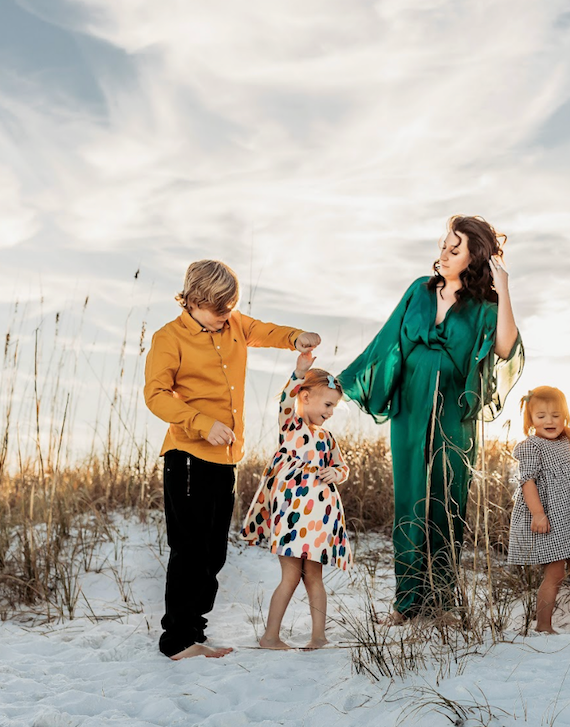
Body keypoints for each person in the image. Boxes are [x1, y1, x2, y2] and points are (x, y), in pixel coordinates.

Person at [336, 215, 523, 621]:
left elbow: (506, 348)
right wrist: (343, 383)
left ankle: (440, 601)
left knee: (448, 500)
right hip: (410, 406)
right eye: (443, 245)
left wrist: (504, 287)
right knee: (410, 500)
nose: (443, 253)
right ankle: (406, 603)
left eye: (454, 249)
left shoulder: (486, 305)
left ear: (475, 256)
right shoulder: (419, 291)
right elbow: (386, 341)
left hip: (455, 411)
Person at [144, 260, 321, 660]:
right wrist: (201, 422)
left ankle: (195, 629)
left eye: (230, 309)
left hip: (225, 459)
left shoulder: (234, 324)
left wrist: (297, 337)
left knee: (214, 551)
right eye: (218, 310)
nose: (226, 317)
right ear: (193, 300)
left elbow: (266, 331)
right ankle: (177, 640)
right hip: (188, 455)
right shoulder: (168, 338)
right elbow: (155, 395)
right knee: (189, 548)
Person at [240, 351, 352, 650]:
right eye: (327, 404)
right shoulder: (291, 427)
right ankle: (270, 636)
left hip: (319, 515)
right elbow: (285, 400)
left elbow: (342, 467)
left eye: (334, 407)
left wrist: (335, 473)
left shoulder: (327, 439)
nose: (330, 412)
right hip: (291, 514)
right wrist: (299, 372)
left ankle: (318, 636)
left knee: (314, 575)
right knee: (290, 575)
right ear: (304, 397)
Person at [507, 386, 570, 635]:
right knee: (554, 573)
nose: (549, 421)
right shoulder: (531, 447)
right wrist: (538, 514)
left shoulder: (567, 439)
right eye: (541, 416)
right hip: (551, 519)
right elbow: (527, 482)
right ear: (530, 420)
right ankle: (543, 625)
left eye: (555, 415)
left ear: (564, 416)